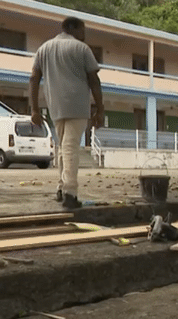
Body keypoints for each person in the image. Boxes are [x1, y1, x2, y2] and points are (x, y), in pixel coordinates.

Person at [29, 17, 104, 209]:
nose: (84, 35)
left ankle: (61, 189)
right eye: (83, 30)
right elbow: (94, 80)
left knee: (63, 148)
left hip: (56, 107)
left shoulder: (44, 49)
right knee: (70, 148)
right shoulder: (81, 48)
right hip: (77, 106)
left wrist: (35, 109)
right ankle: (70, 194)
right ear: (74, 29)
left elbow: (33, 79)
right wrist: (100, 109)